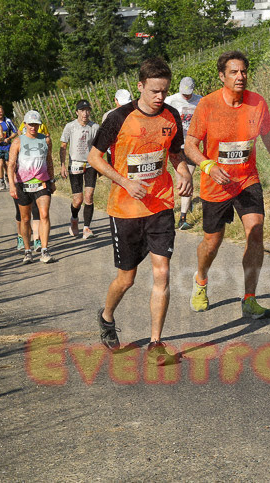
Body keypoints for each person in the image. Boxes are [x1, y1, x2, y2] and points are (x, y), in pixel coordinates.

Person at [88, 58, 192, 361]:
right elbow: (95, 158)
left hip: (160, 205)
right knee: (127, 278)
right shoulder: (118, 118)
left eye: (164, 91)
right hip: (125, 210)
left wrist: (184, 173)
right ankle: (107, 317)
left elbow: (175, 154)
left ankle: (156, 342)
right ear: (140, 86)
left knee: (162, 272)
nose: (160, 97)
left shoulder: (171, 116)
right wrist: (123, 181)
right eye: (154, 91)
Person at [184, 52, 270, 320]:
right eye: (234, 72)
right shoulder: (207, 105)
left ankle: (250, 298)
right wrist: (208, 166)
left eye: (243, 72)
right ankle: (201, 279)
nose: (240, 77)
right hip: (216, 183)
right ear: (222, 76)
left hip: (247, 180)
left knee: (256, 231)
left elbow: (269, 137)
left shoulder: (257, 103)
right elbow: (190, 146)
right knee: (212, 243)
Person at [8, 110, 56, 264]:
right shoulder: (18, 141)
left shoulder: (46, 140)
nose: (33, 127)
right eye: (30, 124)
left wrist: (52, 180)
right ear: (25, 124)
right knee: (25, 218)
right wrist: (11, 185)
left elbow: (49, 161)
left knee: (44, 214)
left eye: (36, 125)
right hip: (23, 184)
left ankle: (44, 250)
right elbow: (11, 165)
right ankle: (28, 251)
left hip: (42, 183)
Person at [164, 76, 202, 230]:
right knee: (180, 179)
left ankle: (183, 218)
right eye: (183, 93)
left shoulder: (200, 101)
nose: (186, 96)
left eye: (189, 93)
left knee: (188, 179)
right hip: (176, 146)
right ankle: (177, 209)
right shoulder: (171, 100)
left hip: (192, 145)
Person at [60, 99, 99, 239]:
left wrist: (99, 164)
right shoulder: (70, 127)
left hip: (90, 164)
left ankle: (87, 228)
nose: (85, 113)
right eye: (82, 110)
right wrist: (63, 165)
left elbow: (97, 147)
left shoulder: (94, 127)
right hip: (75, 163)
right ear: (77, 112)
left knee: (89, 196)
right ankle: (74, 219)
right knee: (78, 199)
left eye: (88, 110)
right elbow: (63, 146)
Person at [0, 105, 17, 191]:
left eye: (1, 111)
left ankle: (8, 180)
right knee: (0, 164)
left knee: (7, 164)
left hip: (7, 146)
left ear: (3, 112)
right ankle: (2, 182)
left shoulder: (8, 121)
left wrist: (9, 138)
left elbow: (15, 132)